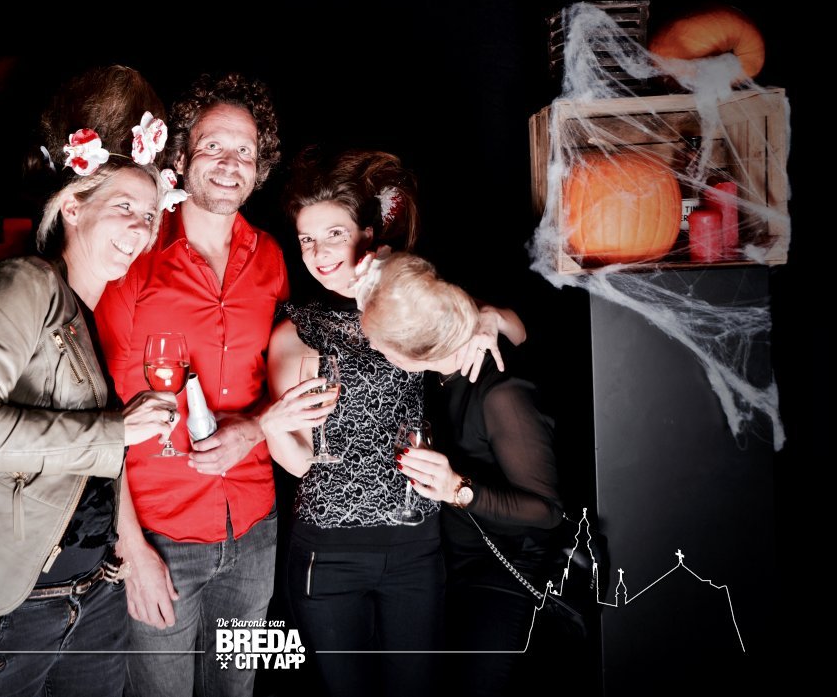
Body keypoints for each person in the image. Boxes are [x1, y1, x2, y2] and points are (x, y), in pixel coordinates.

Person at [0, 65, 182, 697]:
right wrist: (113, 431)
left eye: (150, 214)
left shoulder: (91, 312)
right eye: (124, 207)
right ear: (72, 206)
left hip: (89, 600)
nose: (140, 228)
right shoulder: (25, 284)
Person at [258, 148, 525, 696]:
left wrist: (483, 321)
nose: (317, 253)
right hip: (329, 553)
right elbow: (301, 463)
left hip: (414, 546)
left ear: (366, 233)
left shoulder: (407, 297)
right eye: (306, 240)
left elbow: (517, 330)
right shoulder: (297, 331)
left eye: (333, 234)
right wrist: (274, 424)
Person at [93, 71, 287, 697]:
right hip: (160, 535)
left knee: (237, 691)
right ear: (180, 156)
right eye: (213, 147)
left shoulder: (273, 258)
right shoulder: (134, 258)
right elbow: (100, 416)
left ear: (259, 168)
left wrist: (254, 429)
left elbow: (289, 375)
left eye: (245, 152)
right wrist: (131, 551)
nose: (230, 164)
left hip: (255, 529)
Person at [357, 251, 567, 697]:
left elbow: (547, 512)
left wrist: (456, 488)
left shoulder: (501, 394)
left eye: (381, 343)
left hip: (502, 574)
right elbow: (426, 289)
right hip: (449, 564)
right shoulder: (439, 369)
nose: (373, 347)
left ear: (416, 350)